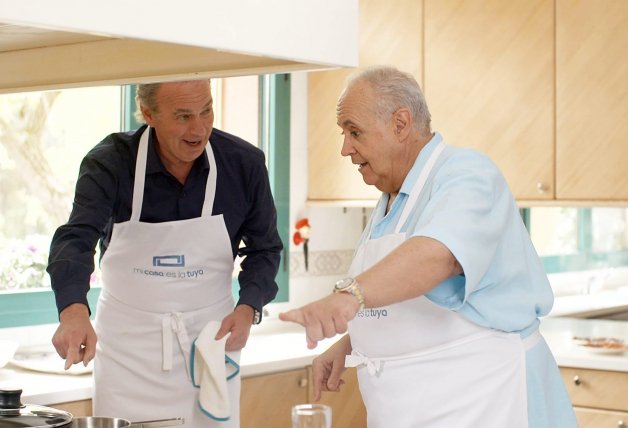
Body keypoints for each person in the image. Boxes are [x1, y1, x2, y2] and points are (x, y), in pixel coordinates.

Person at [279, 66, 577, 428]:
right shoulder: (392, 199)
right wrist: (353, 343)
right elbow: (409, 305)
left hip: (486, 401)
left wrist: (347, 297)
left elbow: (439, 255)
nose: (345, 149)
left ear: (401, 124)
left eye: (354, 132)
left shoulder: (467, 174)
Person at [47, 80, 282, 427]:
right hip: (128, 352)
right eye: (184, 116)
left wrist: (248, 307)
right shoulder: (111, 163)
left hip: (210, 344)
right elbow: (76, 238)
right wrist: (73, 312)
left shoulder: (243, 164)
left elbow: (265, 248)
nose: (199, 129)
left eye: (206, 111)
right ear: (148, 114)